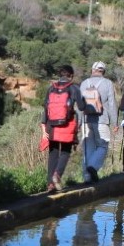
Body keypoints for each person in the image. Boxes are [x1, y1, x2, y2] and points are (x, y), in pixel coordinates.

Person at [41, 64, 86, 192]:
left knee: (53, 153)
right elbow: (82, 107)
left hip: (52, 126)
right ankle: (57, 175)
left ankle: (50, 184)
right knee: (66, 151)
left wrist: (44, 126)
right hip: (67, 125)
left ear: (60, 75)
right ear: (71, 75)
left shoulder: (51, 88)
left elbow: (46, 107)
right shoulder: (74, 88)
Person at [79, 60, 118, 183]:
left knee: (88, 149)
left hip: (86, 120)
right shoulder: (108, 83)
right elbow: (112, 104)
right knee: (102, 145)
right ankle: (93, 167)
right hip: (102, 120)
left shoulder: (84, 83)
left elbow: (79, 105)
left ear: (92, 70)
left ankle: (87, 178)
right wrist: (115, 122)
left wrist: (79, 122)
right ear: (103, 72)